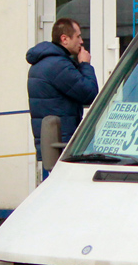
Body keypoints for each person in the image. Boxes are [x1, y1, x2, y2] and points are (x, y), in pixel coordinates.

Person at [27, 18, 99, 159]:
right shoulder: (58, 65)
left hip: (51, 144)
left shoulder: (43, 62)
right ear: (64, 39)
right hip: (62, 145)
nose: (81, 41)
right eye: (78, 36)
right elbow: (89, 93)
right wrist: (85, 64)